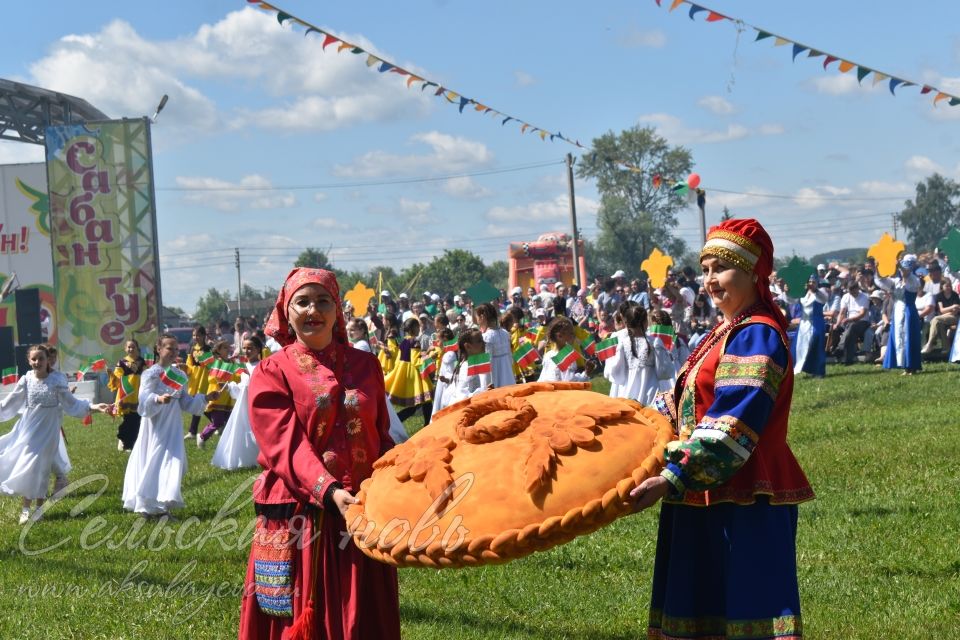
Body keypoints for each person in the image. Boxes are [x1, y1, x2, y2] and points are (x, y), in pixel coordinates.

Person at [628, 218, 813, 639]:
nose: (710, 280)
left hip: (745, 493)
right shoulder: (721, 333)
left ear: (753, 272)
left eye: (721, 268)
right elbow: (681, 404)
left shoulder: (756, 336)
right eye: (706, 269)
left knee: (743, 605)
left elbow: (733, 422)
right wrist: (630, 427)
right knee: (702, 604)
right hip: (701, 488)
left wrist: (670, 477)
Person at [238, 268, 400, 640]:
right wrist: (328, 491)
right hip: (301, 515)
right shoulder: (271, 371)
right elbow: (285, 445)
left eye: (323, 300)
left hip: (362, 512)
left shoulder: (366, 365)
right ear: (286, 311)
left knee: (364, 619)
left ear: (337, 310)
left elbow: (382, 438)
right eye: (303, 301)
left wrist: (399, 482)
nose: (313, 310)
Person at [0, 345, 108, 523]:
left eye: (40, 358)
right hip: (29, 430)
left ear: (47, 359)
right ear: (29, 361)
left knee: (42, 469)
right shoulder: (26, 380)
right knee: (29, 466)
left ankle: (39, 509)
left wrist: (94, 407)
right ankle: (25, 509)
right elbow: (10, 402)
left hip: (49, 430)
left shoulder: (57, 380)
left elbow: (71, 403)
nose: (37, 362)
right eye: (34, 359)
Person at [122, 335, 219, 518]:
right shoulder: (151, 373)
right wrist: (158, 399)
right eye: (169, 348)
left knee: (175, 463)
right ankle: (153, 507)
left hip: (172, 424)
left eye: (176, 349)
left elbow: (185, 402)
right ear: (159, 349)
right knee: (157, 460)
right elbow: (143, 399)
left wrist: (206, 397)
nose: (174, 352)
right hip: (155, 424)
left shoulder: (180, 375)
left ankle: (160, 505)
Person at [211, 336, 262, 470]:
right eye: (244, 348)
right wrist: (229, 386)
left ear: (258, 349)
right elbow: (241, 388)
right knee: (245, 430)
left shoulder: (263, 365)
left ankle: (262, 457)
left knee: (258, 431)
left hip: (258, 404)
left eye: (250, 348)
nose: (246, 351)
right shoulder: (242, 368)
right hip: (244, 406)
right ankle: (247, 458)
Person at [876, 255, 924, 375]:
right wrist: (878, 269)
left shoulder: (914, 280)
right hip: (897, 313)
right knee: (899, 339)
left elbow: (907, 274)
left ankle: (911, 366)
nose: (903, 270)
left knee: (909, 339)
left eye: (906, 268)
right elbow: (881, 281)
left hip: (909, 312)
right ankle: (904, 365)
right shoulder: (896, 282)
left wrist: (900, 266)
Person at [605, 302, 657, 404]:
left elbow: (611, 370)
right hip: (650, 385)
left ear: (623, 318)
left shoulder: (616, 337)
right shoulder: (652, 339)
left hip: (623, 384)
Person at [383, 317, 433, 425]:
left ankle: (426, 424)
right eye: (418, 326)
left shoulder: (404, 341)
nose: (419, 328)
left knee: (425, 401)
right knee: (420, 402)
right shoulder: (415, 342)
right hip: (414, 373)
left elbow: (400, 357)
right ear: (415, 328)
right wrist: (429, 357)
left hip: (403, 370)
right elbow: (415, 361)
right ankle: (396, 420)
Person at [108, 338, 147, 451]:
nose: (131, 349)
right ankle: (125, 440)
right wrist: (111, 375)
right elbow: (117, 378)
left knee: (136, 419)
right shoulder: (121, 362)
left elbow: (146, 375)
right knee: (128, 419)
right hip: (126, 394)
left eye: (133, 347)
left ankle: (129, 441)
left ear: (137, 348)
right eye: (129, 347)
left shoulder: (141, 361)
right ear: (125, 349)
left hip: (138, 394)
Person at [198, 339, 237, 447]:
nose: (228, 349)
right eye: (225, 347)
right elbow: (211, 377)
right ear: (218, 350)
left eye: (228, 347)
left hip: (228, 398)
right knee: (218, 422)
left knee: (230, 423)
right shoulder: (217, 362)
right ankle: (202, 437)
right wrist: (218, 381)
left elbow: (236, 377)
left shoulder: (232, 362)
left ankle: (227, 445)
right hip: (217, 397)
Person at [442, 328, 492, 406]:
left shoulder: (478, 361)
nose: (484, 343)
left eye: (482, 340)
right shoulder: (467, 367)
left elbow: (485, 382)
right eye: (479, 341)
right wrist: (484, 391)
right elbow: (462, 396)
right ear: (468, 346)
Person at [792, 276, 828, 377]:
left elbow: (825, 299)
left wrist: (816, 290)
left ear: (817, 283)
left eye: (813, 282)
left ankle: (818, 371)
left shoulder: (820, 293)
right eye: (809, 282)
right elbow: (791, 300)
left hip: (816, 323)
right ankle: (800, 367)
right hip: (804, 323)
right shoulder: (803, 293)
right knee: (798, 345)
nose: (811, 283)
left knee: (816, 344)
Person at [538, 316, 592, 382]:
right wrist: (586, 374)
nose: (574, 336)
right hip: (560, 391)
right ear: (560, 336)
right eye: (571, 333)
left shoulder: (548, 354)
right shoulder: (566, 356)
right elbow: (571, 383)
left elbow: (542, 379)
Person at [474, 302, 515, 388]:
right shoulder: (505, 333)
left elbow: (487, 362)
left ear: (482, 317)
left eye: (477, 317)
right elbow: (510, 358)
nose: (477, 321)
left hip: (494, 377)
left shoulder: (486, 337)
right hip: (508, 375)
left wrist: (487, 384)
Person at [184, 326, 212, 440]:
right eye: (194, 335)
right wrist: (185, 369)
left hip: (204, 378)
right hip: (195, 379)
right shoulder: (191, 349)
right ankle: (218, 423)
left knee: (200, 403)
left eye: (198, 335)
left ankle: (193, 431)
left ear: (204, 336)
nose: (196, 338)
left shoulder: (207, 349)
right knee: (200, 404)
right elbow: (189, 364)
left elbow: (210, 365)